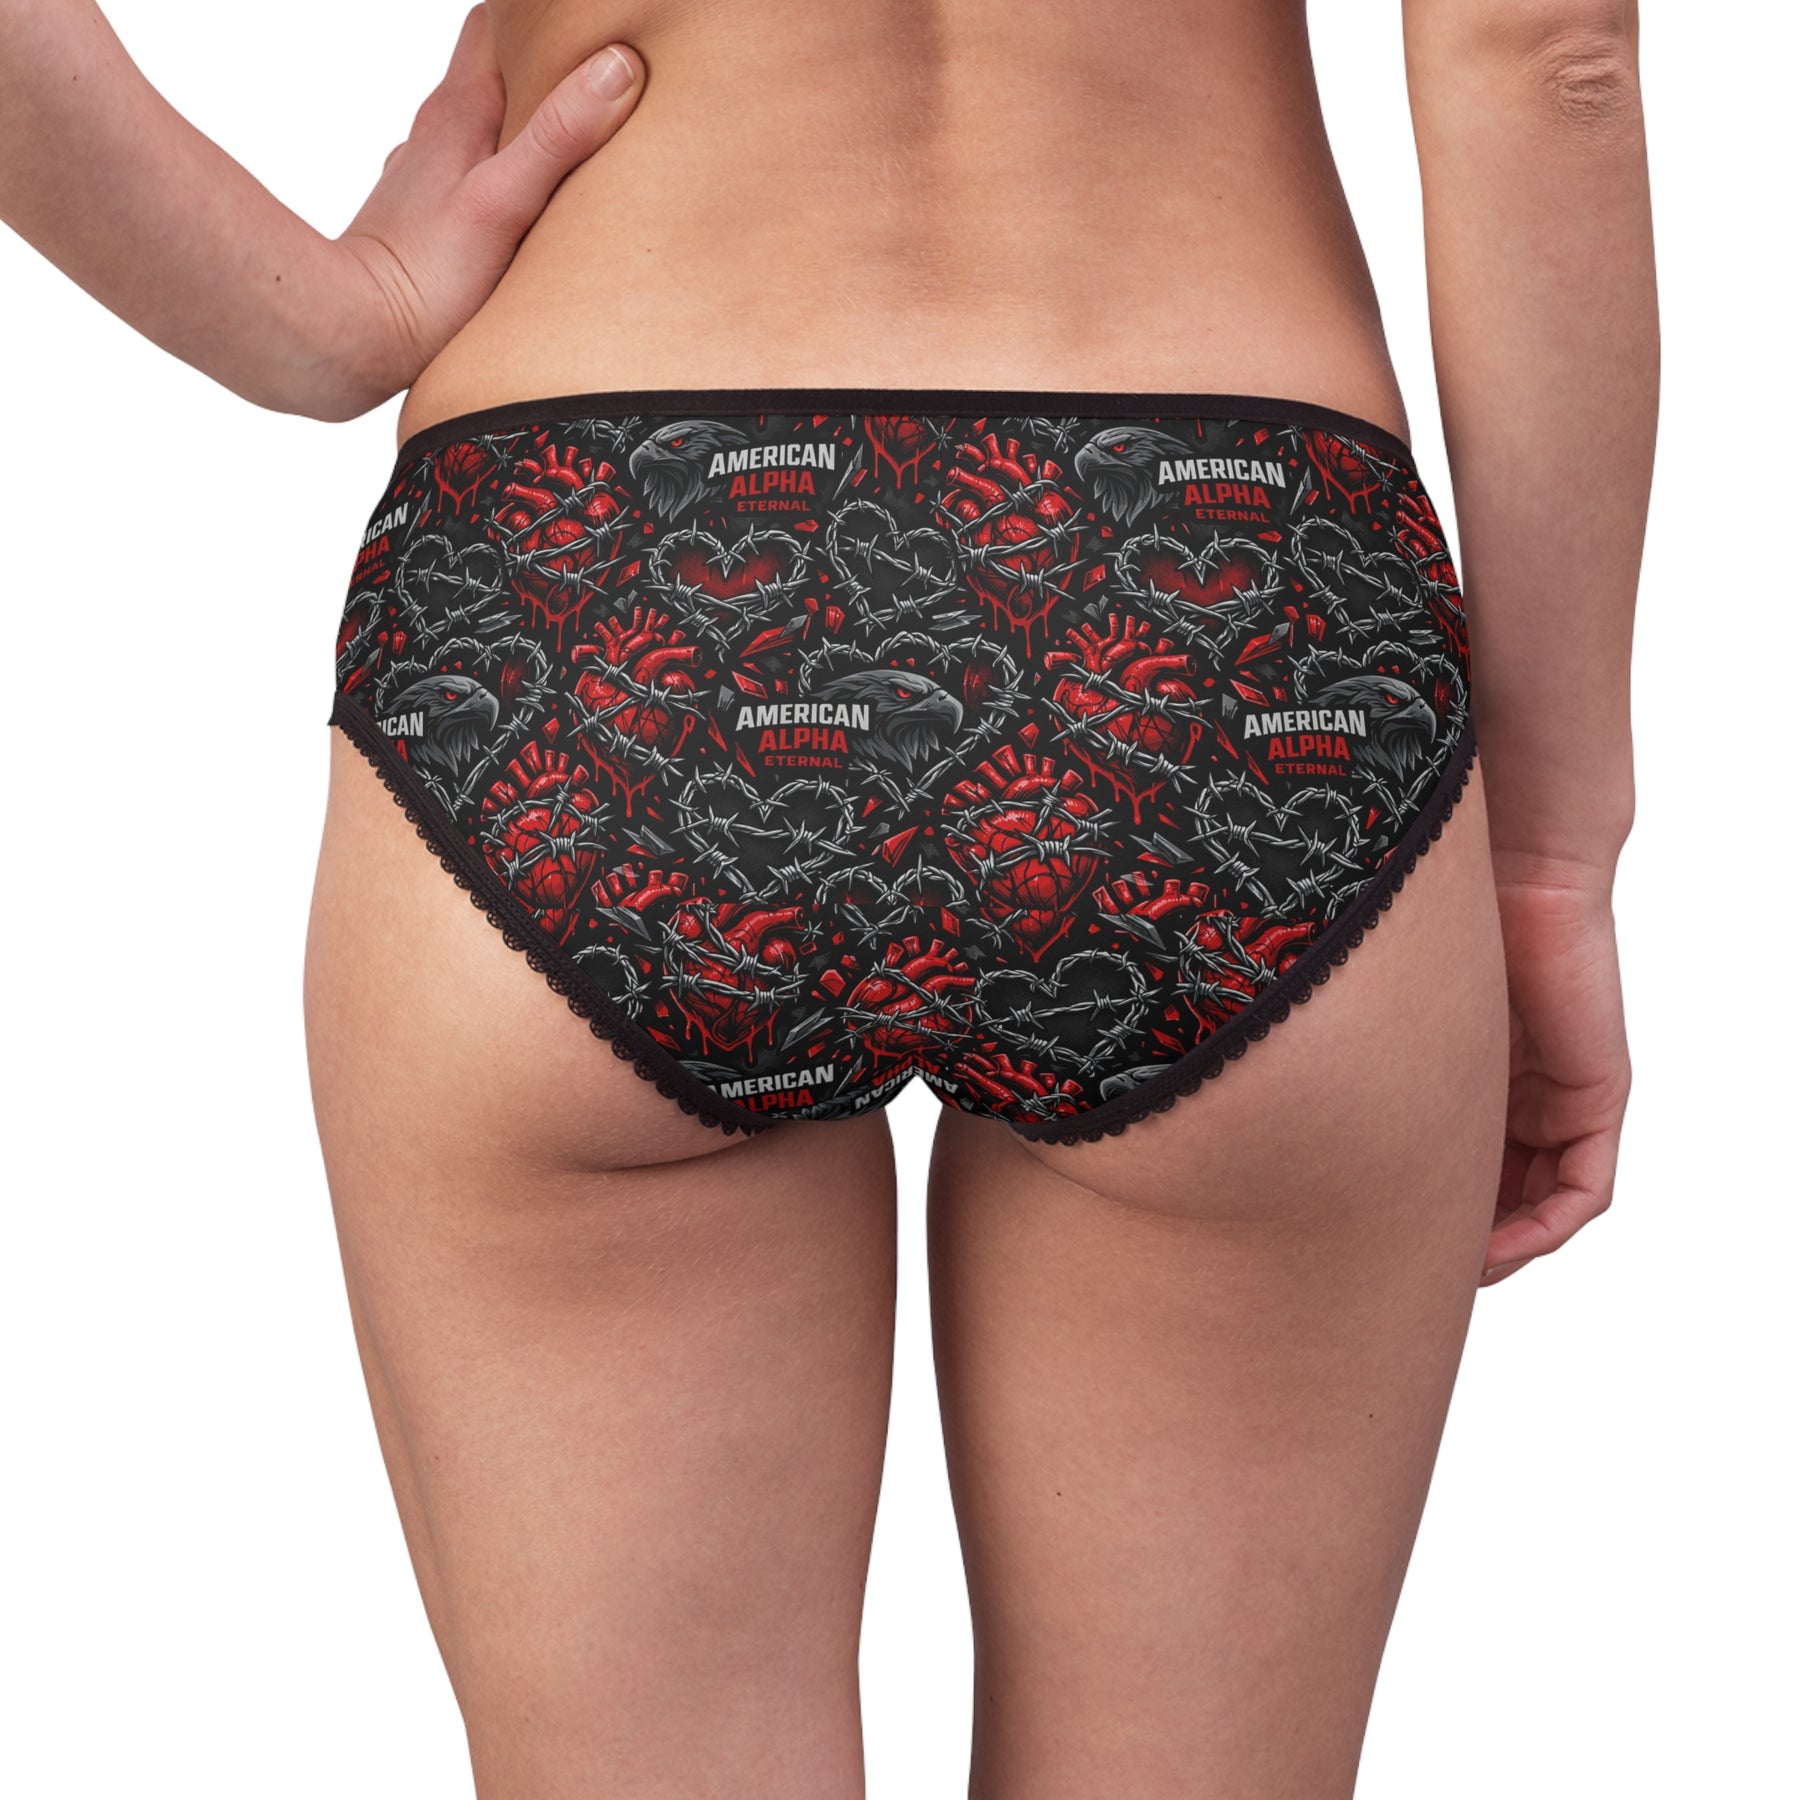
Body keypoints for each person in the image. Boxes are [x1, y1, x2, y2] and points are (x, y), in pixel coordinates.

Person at [2, 2, 1655, 1794]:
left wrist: (328, 322)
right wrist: (1550, 849)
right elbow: (1537, 51)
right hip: (1225, 615)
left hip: (596, 590)